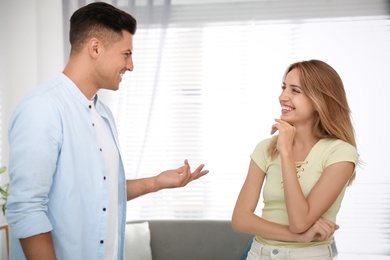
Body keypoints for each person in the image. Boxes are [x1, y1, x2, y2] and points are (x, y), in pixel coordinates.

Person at [6, 2, 208, 260]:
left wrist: (156, 183)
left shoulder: (103, 115)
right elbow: (27, 209)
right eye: (126, 54)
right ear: (95, 48)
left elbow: (101, 191)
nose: (131, 66)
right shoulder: (42, 109)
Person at [232, 59, 359, 259]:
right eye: (284, 88)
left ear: (320, 100)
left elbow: (299, 221)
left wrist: (286, 153)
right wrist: (299, 237)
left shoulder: (340, 153)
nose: (283, 97)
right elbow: (240, 220)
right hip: (259, 254)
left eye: (295, 91)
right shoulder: (265, 148)